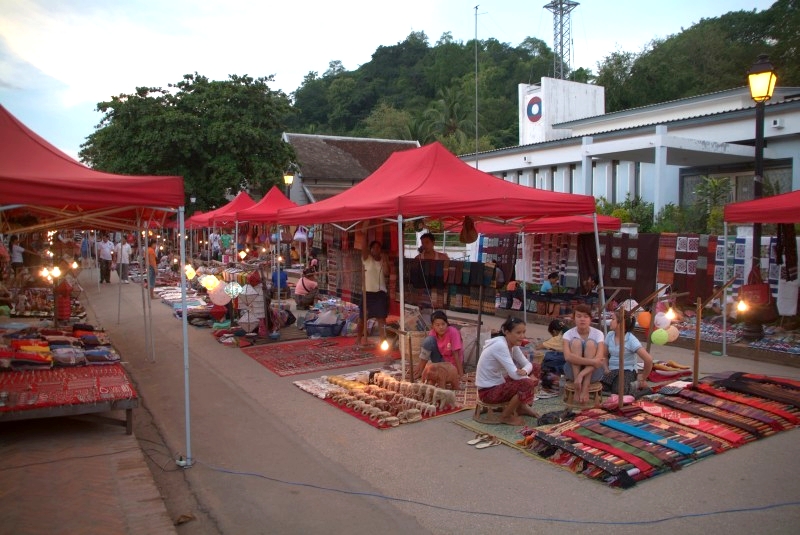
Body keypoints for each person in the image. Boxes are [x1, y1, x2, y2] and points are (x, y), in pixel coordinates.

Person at [475, 316, 539, 425]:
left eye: (523, 332)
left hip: (498, 383)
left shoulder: (513, 345)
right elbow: (514, 374)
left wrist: (526, 371)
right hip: (488, 392)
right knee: (526, 383)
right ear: (506, 332)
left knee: (535, 367)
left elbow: (528, 364)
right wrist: (529, 378)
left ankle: (521, 407)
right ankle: (505, 416)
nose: (522, 336)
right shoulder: (500, 345)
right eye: (518, 333)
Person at [602, 308, 654, 396]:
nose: (610, 321)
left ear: (621, 323)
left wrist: (643, 377)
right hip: (612, 370)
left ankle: (641, 388)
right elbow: (604, 355)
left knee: (620, 391)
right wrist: (606, 368)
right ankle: (627, 387)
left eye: (613, 319)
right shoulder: (610, 335)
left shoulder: (631, 340)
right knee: (602, 387)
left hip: (627, 370)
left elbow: (648, 359)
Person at [563, 303, 607, 404]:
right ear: (574, 318)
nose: (582, 319)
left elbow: (599, 360)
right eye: (578, 316)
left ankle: (585, 386)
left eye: (586, 316)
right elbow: (568, 357)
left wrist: (581, 375)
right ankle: (577, 386)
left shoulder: (598, 334)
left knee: (591, 344)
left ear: (590, 319)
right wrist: (592, 361)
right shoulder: (568, 334)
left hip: (593, 374)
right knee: (576, 342)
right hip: (572, 373)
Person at [355, 240, 390, 347]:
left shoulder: (383, 259)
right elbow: (363, 246)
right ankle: (358, 340)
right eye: (374, 248)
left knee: (381, 318)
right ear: (370, 250)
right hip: (367, 292)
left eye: (378, 248)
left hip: (380, 293)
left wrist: (384, 261)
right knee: (362, 318)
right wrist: (364, 232)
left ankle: (383, 340)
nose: (376, 250)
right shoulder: (367, 259)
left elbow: (387, 273)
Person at [413, 310, 464, 381]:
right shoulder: (433, 332)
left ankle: (421, 370)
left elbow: (457, 356)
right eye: (437, 325)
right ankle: (420, 370)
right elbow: (426, 348)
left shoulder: (453, 332)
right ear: (433, 326)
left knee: (438, 373)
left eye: (443, 324)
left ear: (447, 324)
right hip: (440, 360)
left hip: (451, 365)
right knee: (428, 340)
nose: (441, 327)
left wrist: (461, 375)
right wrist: (419, 366)